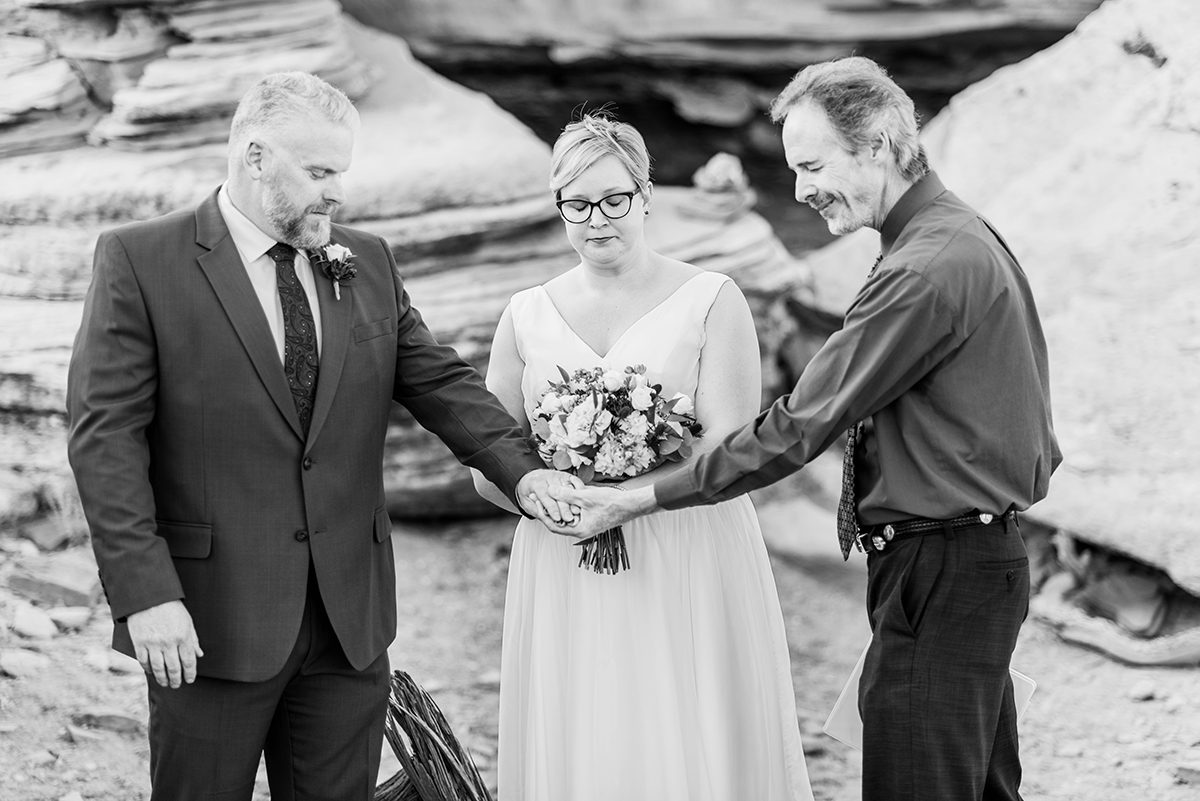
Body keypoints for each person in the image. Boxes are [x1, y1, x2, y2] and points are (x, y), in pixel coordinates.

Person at [550, 57, 1061, 801]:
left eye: (813, 164)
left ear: (880, 143)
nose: (800, 189)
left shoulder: (923, 271)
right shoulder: (957, 236)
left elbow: (798, 426)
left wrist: (638, 498)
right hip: (970, 560)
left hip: (943, 569)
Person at [66, 71, 577, 801]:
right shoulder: (141, 260)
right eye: (319, 171)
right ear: (254, 157)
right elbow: (104, 440)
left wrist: (524, 473)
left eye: (343, 170)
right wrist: (147, 595)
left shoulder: (365, 259)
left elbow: (438, 382)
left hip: (348, 622)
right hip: (209, 620)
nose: (337, 190)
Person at [471, 111, 813, 801]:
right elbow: (489, 460)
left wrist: (625, 494)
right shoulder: (525, 314)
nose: (597, 219)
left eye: (614, 199)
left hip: (686, 544)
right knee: (589, 724)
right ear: (559, 207)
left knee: (685, 723)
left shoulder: (713, 299)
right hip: (564, 553)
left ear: (647, 194)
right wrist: (552, 497)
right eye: (576, 204)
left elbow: (727, 445)